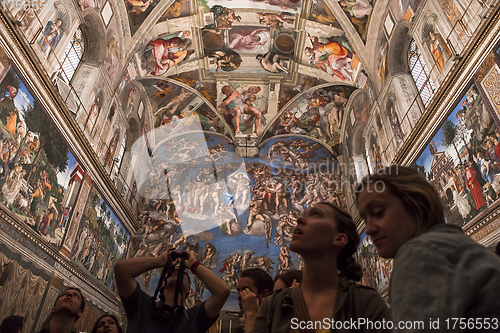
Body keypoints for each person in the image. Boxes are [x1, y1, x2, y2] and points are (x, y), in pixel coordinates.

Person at [356, 165, 500, 332]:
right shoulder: (453, 245)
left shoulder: (419, 256)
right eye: (365, 219)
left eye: (379, 212)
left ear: (416, 204)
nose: (369, 229)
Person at [252, 202, 391, 332]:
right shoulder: (273, 306)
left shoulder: (364, 303)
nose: (299, 220)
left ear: (339, 238)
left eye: (316, 214)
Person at [114, 249, 230, 332]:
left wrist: (193, 265)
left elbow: (222, 291)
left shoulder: (195, 318)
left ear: (188, 291)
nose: (178, 270)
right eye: (173, 270)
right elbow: (121, 269)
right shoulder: (142, 305)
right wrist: (160, 261)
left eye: (183, 273)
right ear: (163, 283)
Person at [235, 268, 274, 333]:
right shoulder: (240, 330)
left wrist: (250, 313)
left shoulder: (275, 327)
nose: (239, 297)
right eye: (239, 291)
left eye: (246, 291)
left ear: (264, 294)